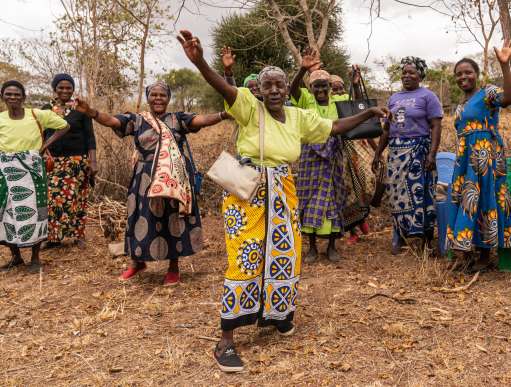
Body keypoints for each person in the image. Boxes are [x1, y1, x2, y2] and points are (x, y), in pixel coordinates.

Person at [177, 29, 388, 372]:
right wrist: (200, 61)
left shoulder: (297, 117)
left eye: (280, 84)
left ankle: (278, 316)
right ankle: (226, 340)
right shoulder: (248, 107)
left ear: (286, 89)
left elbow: (333, 127)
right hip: (249, 194)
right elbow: (224, 87)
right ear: (258, 89)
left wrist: (367, 114)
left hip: (284, 194)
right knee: (246, 260)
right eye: (268, 85)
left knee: (285, 256)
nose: (274, 90)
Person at [75, 81, 229, 286]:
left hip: (172, 177)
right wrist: (92, 112)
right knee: (139, 217)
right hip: (145, 178)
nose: (158, 98)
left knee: (172, 218)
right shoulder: (137, 120)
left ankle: (173, 268)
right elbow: (112, 121)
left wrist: (222, 115)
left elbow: (201, 120)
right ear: (148, 97)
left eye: (162, 95)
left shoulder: (177, 119)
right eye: (153, 95)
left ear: (168, 98)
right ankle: (137, 263)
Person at [447, 46, 511, 271]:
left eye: (468, 72)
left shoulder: (487, 93)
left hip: (485, 157)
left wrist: (505, 65)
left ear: (477, 74)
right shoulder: (460, 105)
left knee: (484, 198)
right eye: (459, 74)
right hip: (465, 158)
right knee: (464, 200)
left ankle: (485, 256)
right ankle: (468, 250)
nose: (463, 77)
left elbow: (507, 99)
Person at [372, 56, 443, 255]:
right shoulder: (393, 98)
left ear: (420, 75)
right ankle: (400, 234)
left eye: (411, 72)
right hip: (396, 153)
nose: (407, 76)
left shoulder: (428, 96)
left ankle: (426, 239)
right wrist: (378, 153)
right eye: (404, 72)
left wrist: (432, 154)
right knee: (396, 195)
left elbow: (436, 126)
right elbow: (387, 129)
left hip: (419, 150)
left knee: (422, 195)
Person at [0, 80, 70, 272]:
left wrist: (45, 146)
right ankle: (16, 257)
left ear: (23, 97)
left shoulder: (36, 115)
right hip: (6, 171)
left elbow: (64, 126)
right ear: (3, 97)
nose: (13, 97)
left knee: (37, 210)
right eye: (8, 94)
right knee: (7, 212)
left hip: (32, 170)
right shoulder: (1, 119)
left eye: (17, 94)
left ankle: (36, 258)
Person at [43, 73, 98, 248]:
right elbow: (42, 135)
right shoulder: (46, 109)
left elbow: (90, 136)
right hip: (54, 162)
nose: (65, 90)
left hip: (77, 161)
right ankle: (53, 237)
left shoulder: (81, 108)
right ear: (55, 89)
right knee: (52, 200)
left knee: (78, 198)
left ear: (73, 89)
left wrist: (93, 161)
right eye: (61, 87)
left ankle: (78, 235)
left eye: (69, 87)